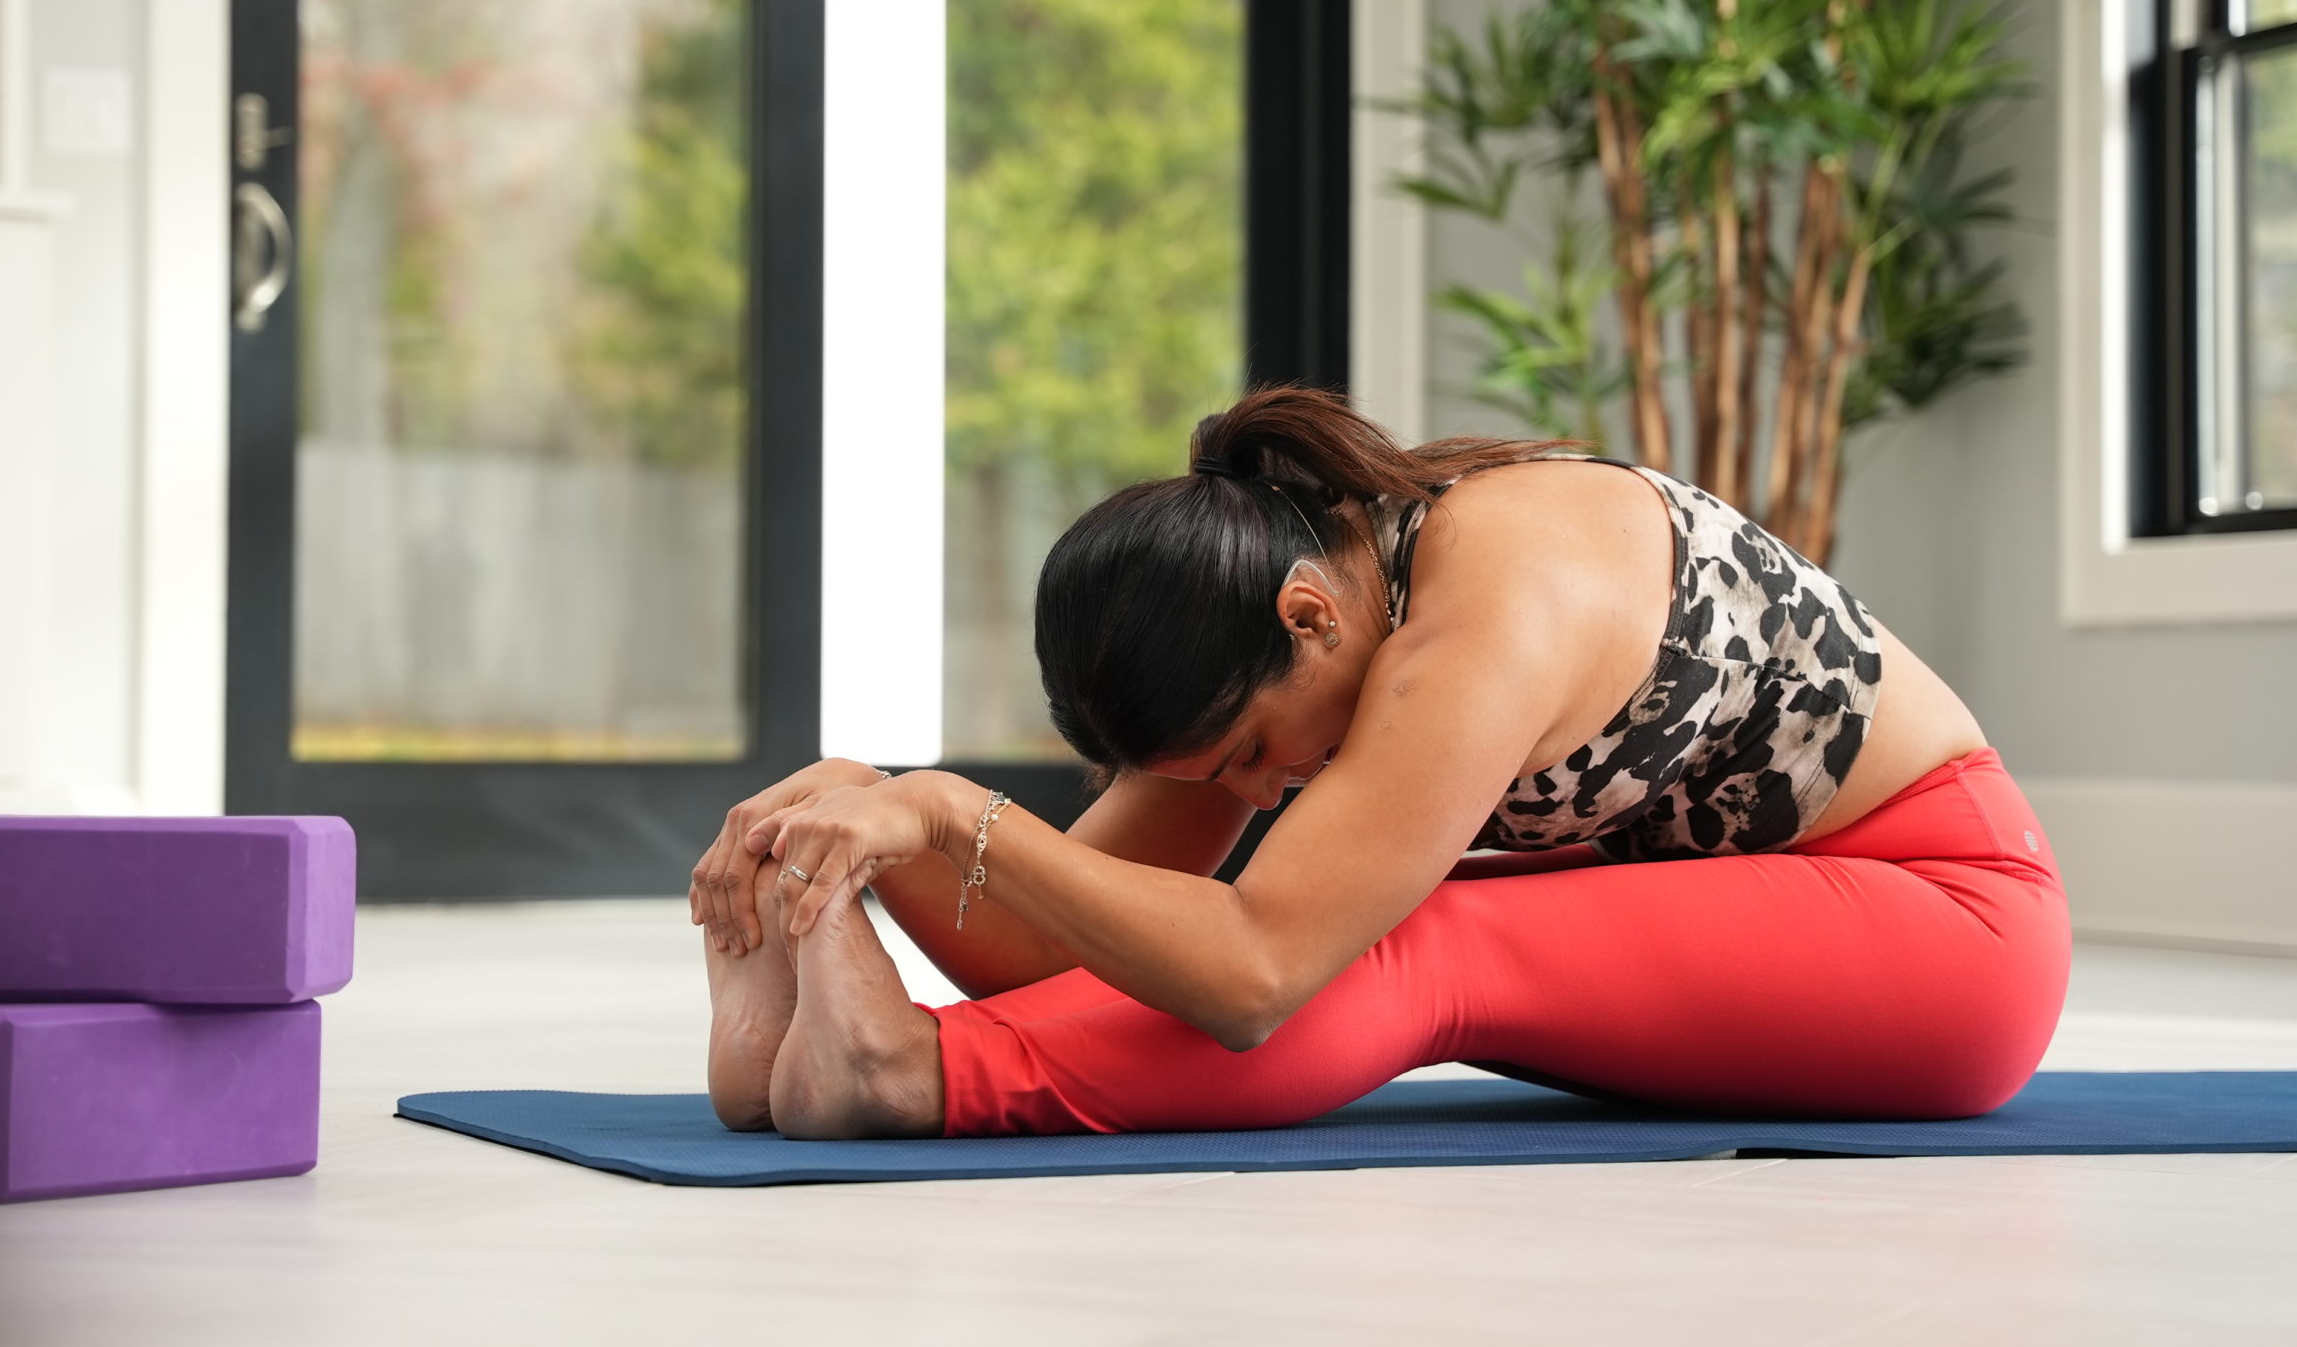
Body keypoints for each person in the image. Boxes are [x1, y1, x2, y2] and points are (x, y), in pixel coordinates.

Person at [690, 386, 2069, 1140]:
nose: (1251, 796)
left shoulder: (1489, 603)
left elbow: (1253, 975)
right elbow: (1056, 938)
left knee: (1419, 938)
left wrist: (950, 806)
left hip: (1947, 919)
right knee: (1335, 905)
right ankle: (814, 1063)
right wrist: (868, 820)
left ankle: (904, 1079)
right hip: (1778, 906)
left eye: (1245, 757)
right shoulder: (1289, 618)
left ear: (1310, 617)